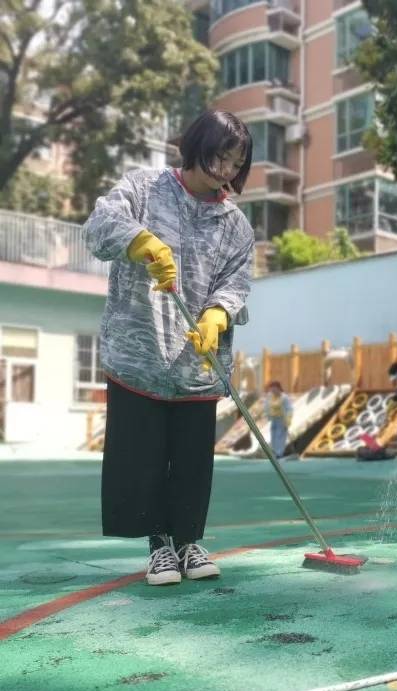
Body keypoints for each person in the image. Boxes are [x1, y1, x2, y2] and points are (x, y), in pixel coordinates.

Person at [84, 110, 255, 586]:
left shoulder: (235, 224)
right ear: (196, 146)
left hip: (196, 361)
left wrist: (218, 313)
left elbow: (237, 280)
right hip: (138, 355)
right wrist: (139, 241)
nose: (224, 170)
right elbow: (99, 226)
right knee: (144, 456)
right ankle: (159, 545)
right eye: (219, 157)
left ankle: (190, 541)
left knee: (193, 458)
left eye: (235, 162)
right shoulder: (143, 188)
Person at [264, 380, 293, 458]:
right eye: (271, 389)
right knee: (273, 436)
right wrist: (267, 415)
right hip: (274, 419)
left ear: (278, 388)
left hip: (282, 419)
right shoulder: (270, 396)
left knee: (280, 436)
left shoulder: (284, 397)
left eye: (274, 389)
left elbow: (289, 409)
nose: (272, 391)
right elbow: (266, 406)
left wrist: (288, 419)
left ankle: (279, 453)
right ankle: (274, 452)